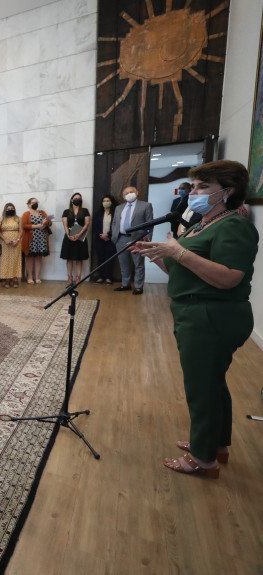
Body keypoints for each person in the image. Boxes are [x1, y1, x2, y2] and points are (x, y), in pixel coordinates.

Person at [132, 160, 258, 478]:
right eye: (195, 186)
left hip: (212, 316)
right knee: (213, 383)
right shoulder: (201, 224)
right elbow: (183, 269)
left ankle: (204, 460)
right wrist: (158, 255)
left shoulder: (234, 225)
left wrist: (178, 253)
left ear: (227, 192)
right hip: (195, 311)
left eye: (204, 187)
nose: (194, 192)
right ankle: (217, 445)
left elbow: (229, 278)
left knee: (200, 387)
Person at [110, 186, 154, 294]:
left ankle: (139, 286)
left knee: (138, 263)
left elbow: (150, 224)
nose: (129, 194)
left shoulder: (145, 206)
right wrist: (114, 235)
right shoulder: (119, 208)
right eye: (126, 193)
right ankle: (126, 284)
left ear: (137, 193)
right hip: (120, 238)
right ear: (124, 196)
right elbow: (115, 222)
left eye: (131, 192)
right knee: (123, 263)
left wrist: (146, 241)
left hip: (137, 239)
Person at [60, 193, 91, 286]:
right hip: (69, 236)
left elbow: (87, 224)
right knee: (69, 258)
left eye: (79, 198)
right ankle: (70, 278)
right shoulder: (66, 211)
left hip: (81, 236)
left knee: (79, 258)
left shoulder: (85, 211)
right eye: (75, 198)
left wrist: (79, 234)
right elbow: (65, 224)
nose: (77, 199)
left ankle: (78, 277)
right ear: (71, 200)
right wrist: (68, 234)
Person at [20, 198, 51, 284]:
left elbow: (50, 223)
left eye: (37, 202)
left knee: (39, 258)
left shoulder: (42, 213)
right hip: (30, 238)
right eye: (34, 203)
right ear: (29, 204)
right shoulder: (26, 214)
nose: (36, 204)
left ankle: (37, 276)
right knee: (29, 258)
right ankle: (30, 276)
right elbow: (23, 226)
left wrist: (46, 222)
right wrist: (36, 226)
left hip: (41, 238)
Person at [0, 203, 22, 288]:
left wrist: (17, 240)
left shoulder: (19, 219)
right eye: (8, 208)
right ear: (5, 210)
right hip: (5, 242)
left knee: (15, 259)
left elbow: (21, 231)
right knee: (5, 260)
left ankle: (15, 279)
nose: (10, 210)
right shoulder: (0, 219)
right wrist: (5, 239)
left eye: (12, 208)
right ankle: (7, 279)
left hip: (16, 243)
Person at [92, 195, 118, 284]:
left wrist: (108, 235)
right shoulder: (98, 213)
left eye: (108, 200)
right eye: (104, 200)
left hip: (111, 239)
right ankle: (100, 276)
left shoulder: (115, 213)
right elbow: (95, 227)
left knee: (109, 258)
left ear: (111, 202)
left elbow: (116, 226)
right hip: (99, 239)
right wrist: (101, 235)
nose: (106, 202)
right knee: (100, 258)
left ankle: (108, 277)